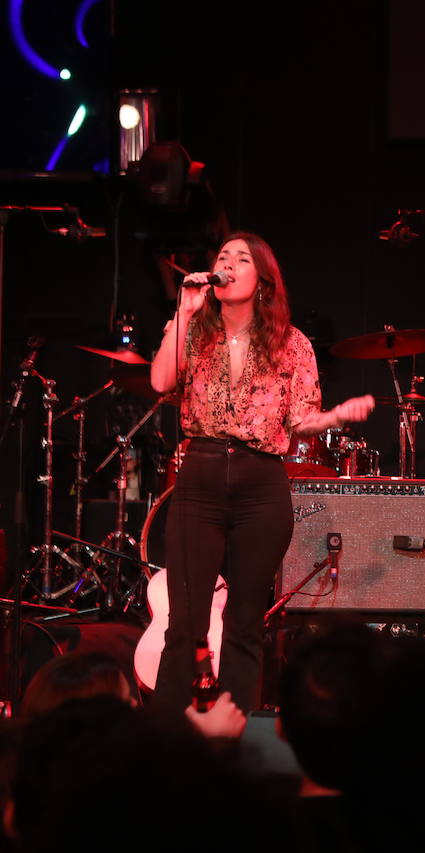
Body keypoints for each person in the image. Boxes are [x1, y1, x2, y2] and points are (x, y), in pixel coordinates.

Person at [149, 232, 373, 714]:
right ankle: (164, 739)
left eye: (241, 257)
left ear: (263, 281)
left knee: (246, 623)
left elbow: (301, 419)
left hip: (261, 485)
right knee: (184, 622)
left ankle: (236, 737)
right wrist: (184, 311)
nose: (227, 262)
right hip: (201, 477)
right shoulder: (192, 327)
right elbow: (160, 382)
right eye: (222, 256)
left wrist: (337, 417)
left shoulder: (292, 343)